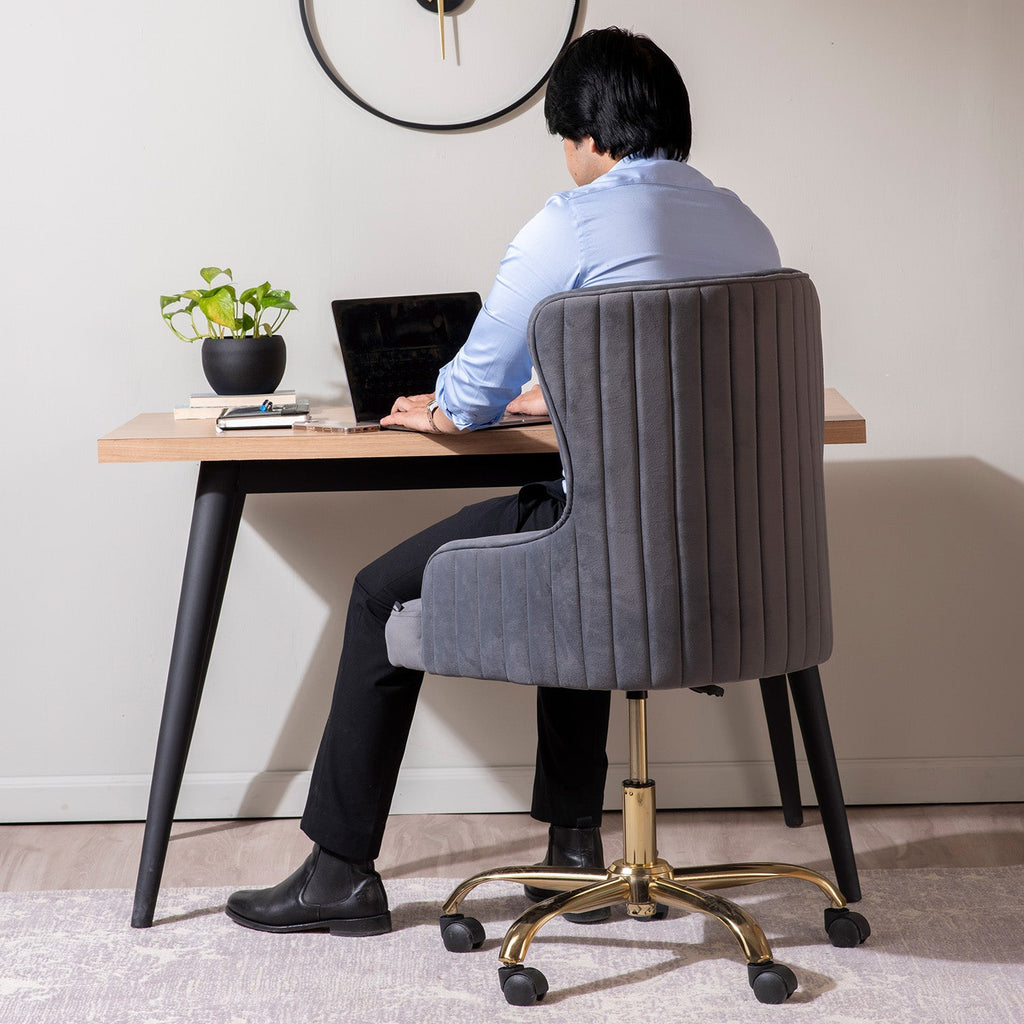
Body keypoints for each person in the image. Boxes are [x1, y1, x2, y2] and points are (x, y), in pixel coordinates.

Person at [225, 26, 781, 937]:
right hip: (741, 558)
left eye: (565, 139)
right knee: (586, 557)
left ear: (589, 136)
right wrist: (560, 406)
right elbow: (691, 390)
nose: (566, 158)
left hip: (605, 544)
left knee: (383, 594)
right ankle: (570, 851)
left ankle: (339, 875)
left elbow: (471, 395)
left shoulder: (571, 223)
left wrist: (441, 409)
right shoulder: (747, 226)